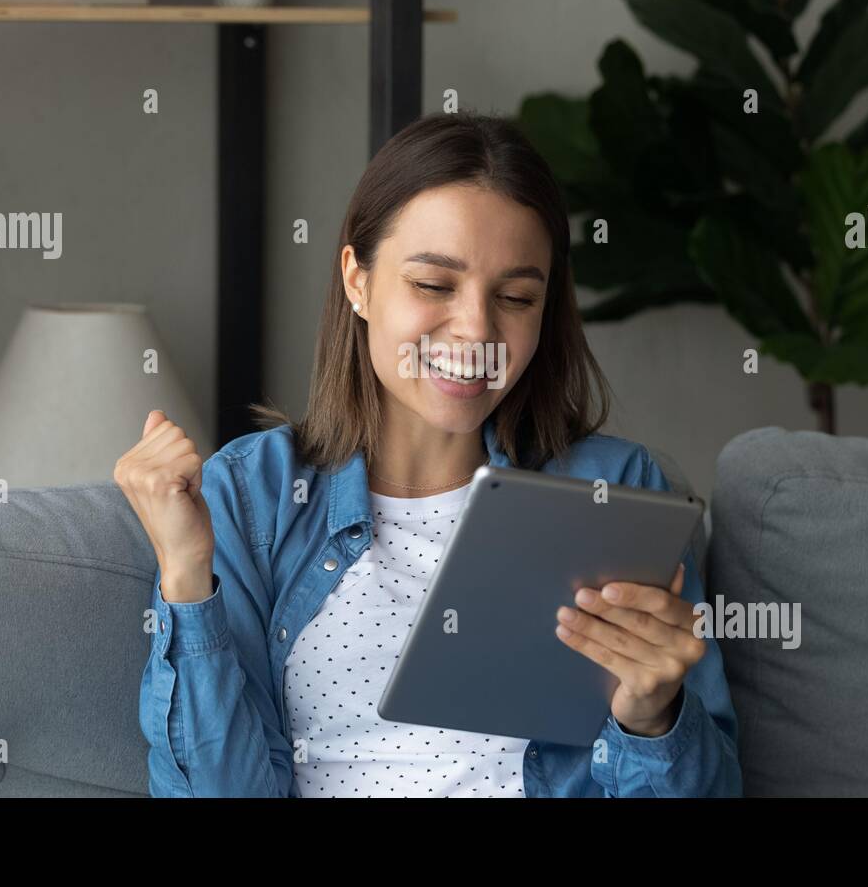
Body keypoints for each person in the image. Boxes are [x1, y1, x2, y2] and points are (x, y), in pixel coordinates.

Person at [114, 109, 742, 797]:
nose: (476, 328)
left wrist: (653, 718)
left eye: (515, 296)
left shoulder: (615, 488)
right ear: (358, 279)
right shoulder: (251, 494)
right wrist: (184, 575)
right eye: (434, 285)